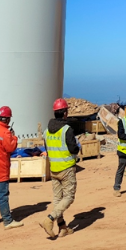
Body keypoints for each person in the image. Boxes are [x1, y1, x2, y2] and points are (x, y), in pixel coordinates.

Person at [40, 98, 80, 239]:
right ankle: (50, 219)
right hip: (66, 169)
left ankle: (62, 227)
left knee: (58, 199)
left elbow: (47, 149)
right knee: (68, 197)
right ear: (64, 113)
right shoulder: (66, 130)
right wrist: (78, 147)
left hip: (54, 169)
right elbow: (73, 149)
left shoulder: (46, 132)